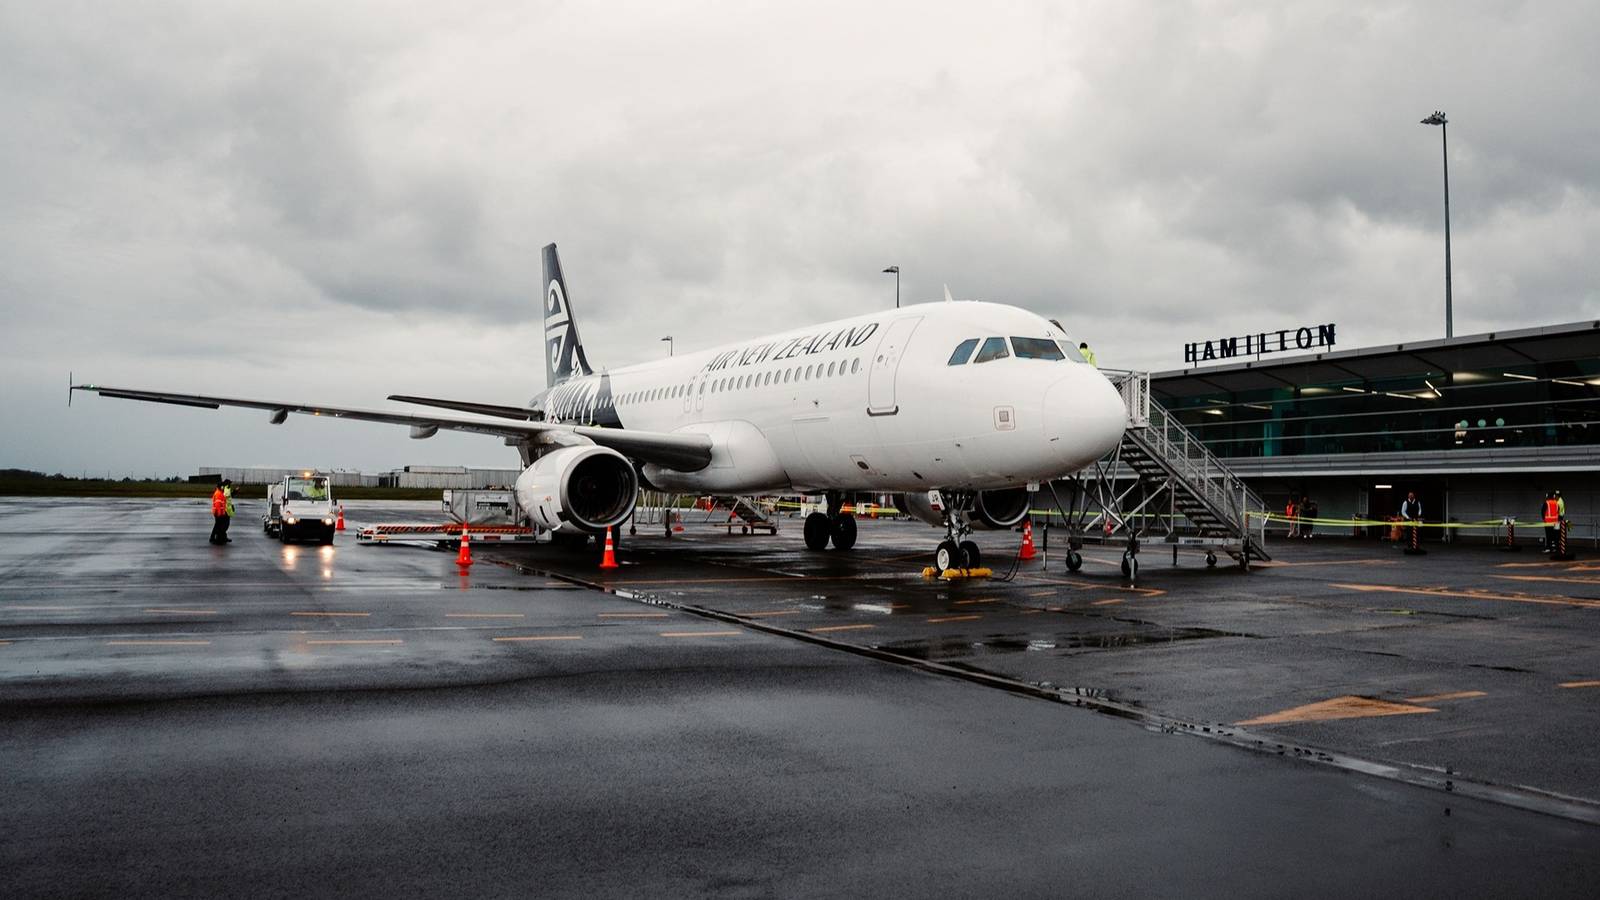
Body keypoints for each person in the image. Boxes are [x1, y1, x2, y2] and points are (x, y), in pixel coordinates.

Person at [209, 479, 233, 544]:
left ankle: (216, 537)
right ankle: (215, 538)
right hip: (218, 513)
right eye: (222, 486)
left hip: (219, 512)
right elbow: (218, 505)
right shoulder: (218, 494)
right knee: (218, 526)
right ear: (221, 487)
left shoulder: (220, 492)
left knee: (218, 526)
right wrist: (220, 513)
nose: (223, 487)